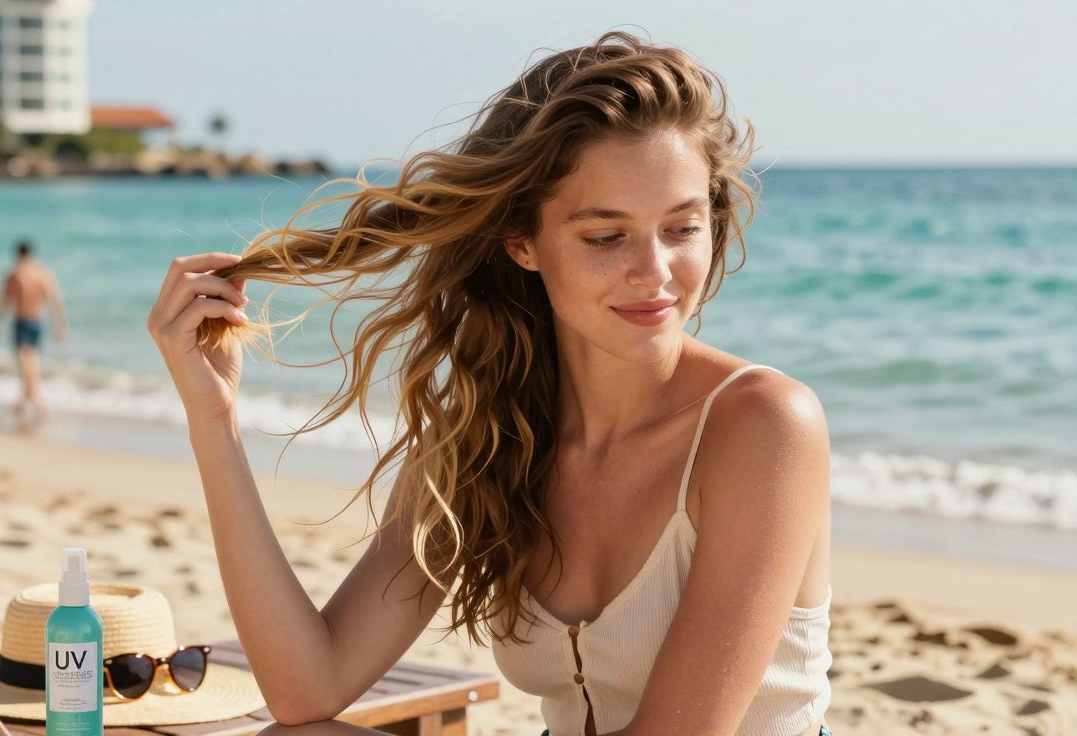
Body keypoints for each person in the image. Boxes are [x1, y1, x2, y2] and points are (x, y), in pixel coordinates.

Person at [149, 31, 834, 736]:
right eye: (606, 237)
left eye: (682, 228)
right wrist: (214, 422)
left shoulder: (764, 425)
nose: (655, 270)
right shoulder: (487, 435)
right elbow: (307, 688)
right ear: (522, 242)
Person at [0, 238, 68, 432]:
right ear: (31, 253)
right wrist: (60, 326)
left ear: (18, 254)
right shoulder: (43, 273)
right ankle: (22, 401)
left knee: (27, 362)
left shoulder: (14, 275)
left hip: (22, 321)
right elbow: (55, 301)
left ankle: (38, 402)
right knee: (30, 361)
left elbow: (3, 301)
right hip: (37, 322)